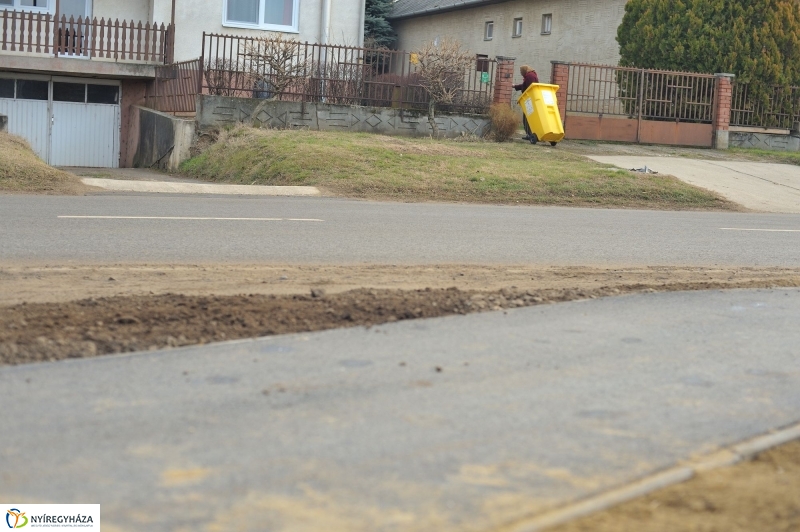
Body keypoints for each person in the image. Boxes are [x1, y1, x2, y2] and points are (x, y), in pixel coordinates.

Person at [513, 65, 539, 141]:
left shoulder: (529, 76)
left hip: (529, 100)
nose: (521, 73)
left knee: (527, 118)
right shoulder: (531, 75)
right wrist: (515, 86)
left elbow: (528, 88)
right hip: (531, 99)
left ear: (524, 70)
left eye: (521, 71)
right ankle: (530, 134)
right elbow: (524, 85)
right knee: (528, 117)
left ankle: (530, 134)